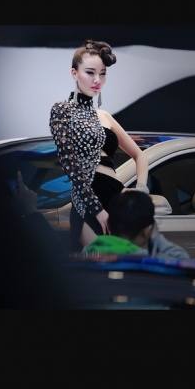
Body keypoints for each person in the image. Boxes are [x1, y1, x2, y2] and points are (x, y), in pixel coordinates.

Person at [49, 39, 149, 252]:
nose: (97, 80)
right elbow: (70, 165)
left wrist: (140, 191)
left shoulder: (105, 116)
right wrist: (97, 209)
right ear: (74, 73)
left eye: (102, 73)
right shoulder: (61, 110)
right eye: (90, 72)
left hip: (118, 199)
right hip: (88, 199)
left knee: (127, 264)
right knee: (103, 260)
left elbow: (140, 156)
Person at [83, 191, 190, 259]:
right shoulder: (161, 261)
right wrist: (153, 232)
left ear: (109, 225)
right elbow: (180, 256)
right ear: (146, 231)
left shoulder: (88, 254)